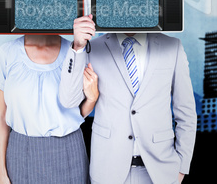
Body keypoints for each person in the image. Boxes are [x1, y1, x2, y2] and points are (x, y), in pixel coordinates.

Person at [59, 15, 197, 184]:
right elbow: (68, 101)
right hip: (108, 170)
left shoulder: (172, 47)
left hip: (160, 171)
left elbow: (186, 112)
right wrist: (78, 47)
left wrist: (182, 167)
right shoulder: (92, 47)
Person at [0, 34, 99, 184]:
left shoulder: (75, 52)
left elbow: (76, 114)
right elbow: (1, 115)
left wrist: (92, 99)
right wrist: (1, 171)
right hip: (20, 150)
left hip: (68, 148)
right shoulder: (7, 53)